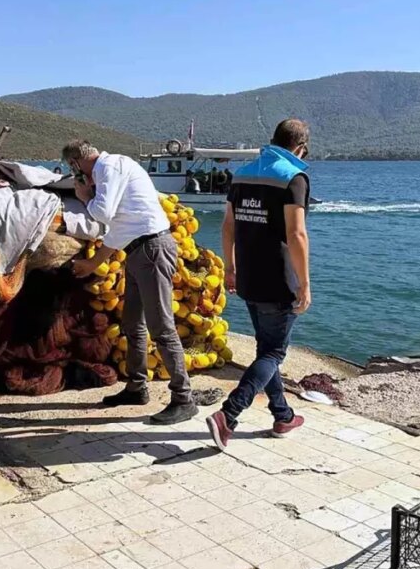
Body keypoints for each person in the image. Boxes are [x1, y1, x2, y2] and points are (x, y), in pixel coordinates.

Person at [62, 140, 196, 424]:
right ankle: (137, 387)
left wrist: (84, 196)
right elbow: (119, 231)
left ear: (76, 163)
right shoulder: (113, 169)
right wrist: (94, 263)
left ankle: (184, 399)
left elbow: (103, 213)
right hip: (138, 251)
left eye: (72, 168)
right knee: (133, 323)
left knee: (161, 327)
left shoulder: (109, 168)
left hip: (152, 249)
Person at [206, 118, 312, 450]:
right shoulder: (293, 177)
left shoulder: (243, 173)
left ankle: (283, 415)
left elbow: (228, 226)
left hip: (249, 276)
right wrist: (305, 283)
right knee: (274, 352)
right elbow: (296, 234)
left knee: (266, 350)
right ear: (300, 148)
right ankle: (228, 414)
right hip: (279, 279)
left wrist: (230, 267)